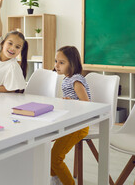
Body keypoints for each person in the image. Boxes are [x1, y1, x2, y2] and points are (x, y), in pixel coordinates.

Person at [51, 46, 91, 185]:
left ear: (72, 64)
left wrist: (71, 102)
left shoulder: (76, 80)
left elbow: (86, 103)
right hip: (70, 123)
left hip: (79, 126)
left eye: (62, 62)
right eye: (56, 61)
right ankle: (55, 180)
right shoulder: (67, 79)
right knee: (50, 153)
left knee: (55, 158)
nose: (56, 65)